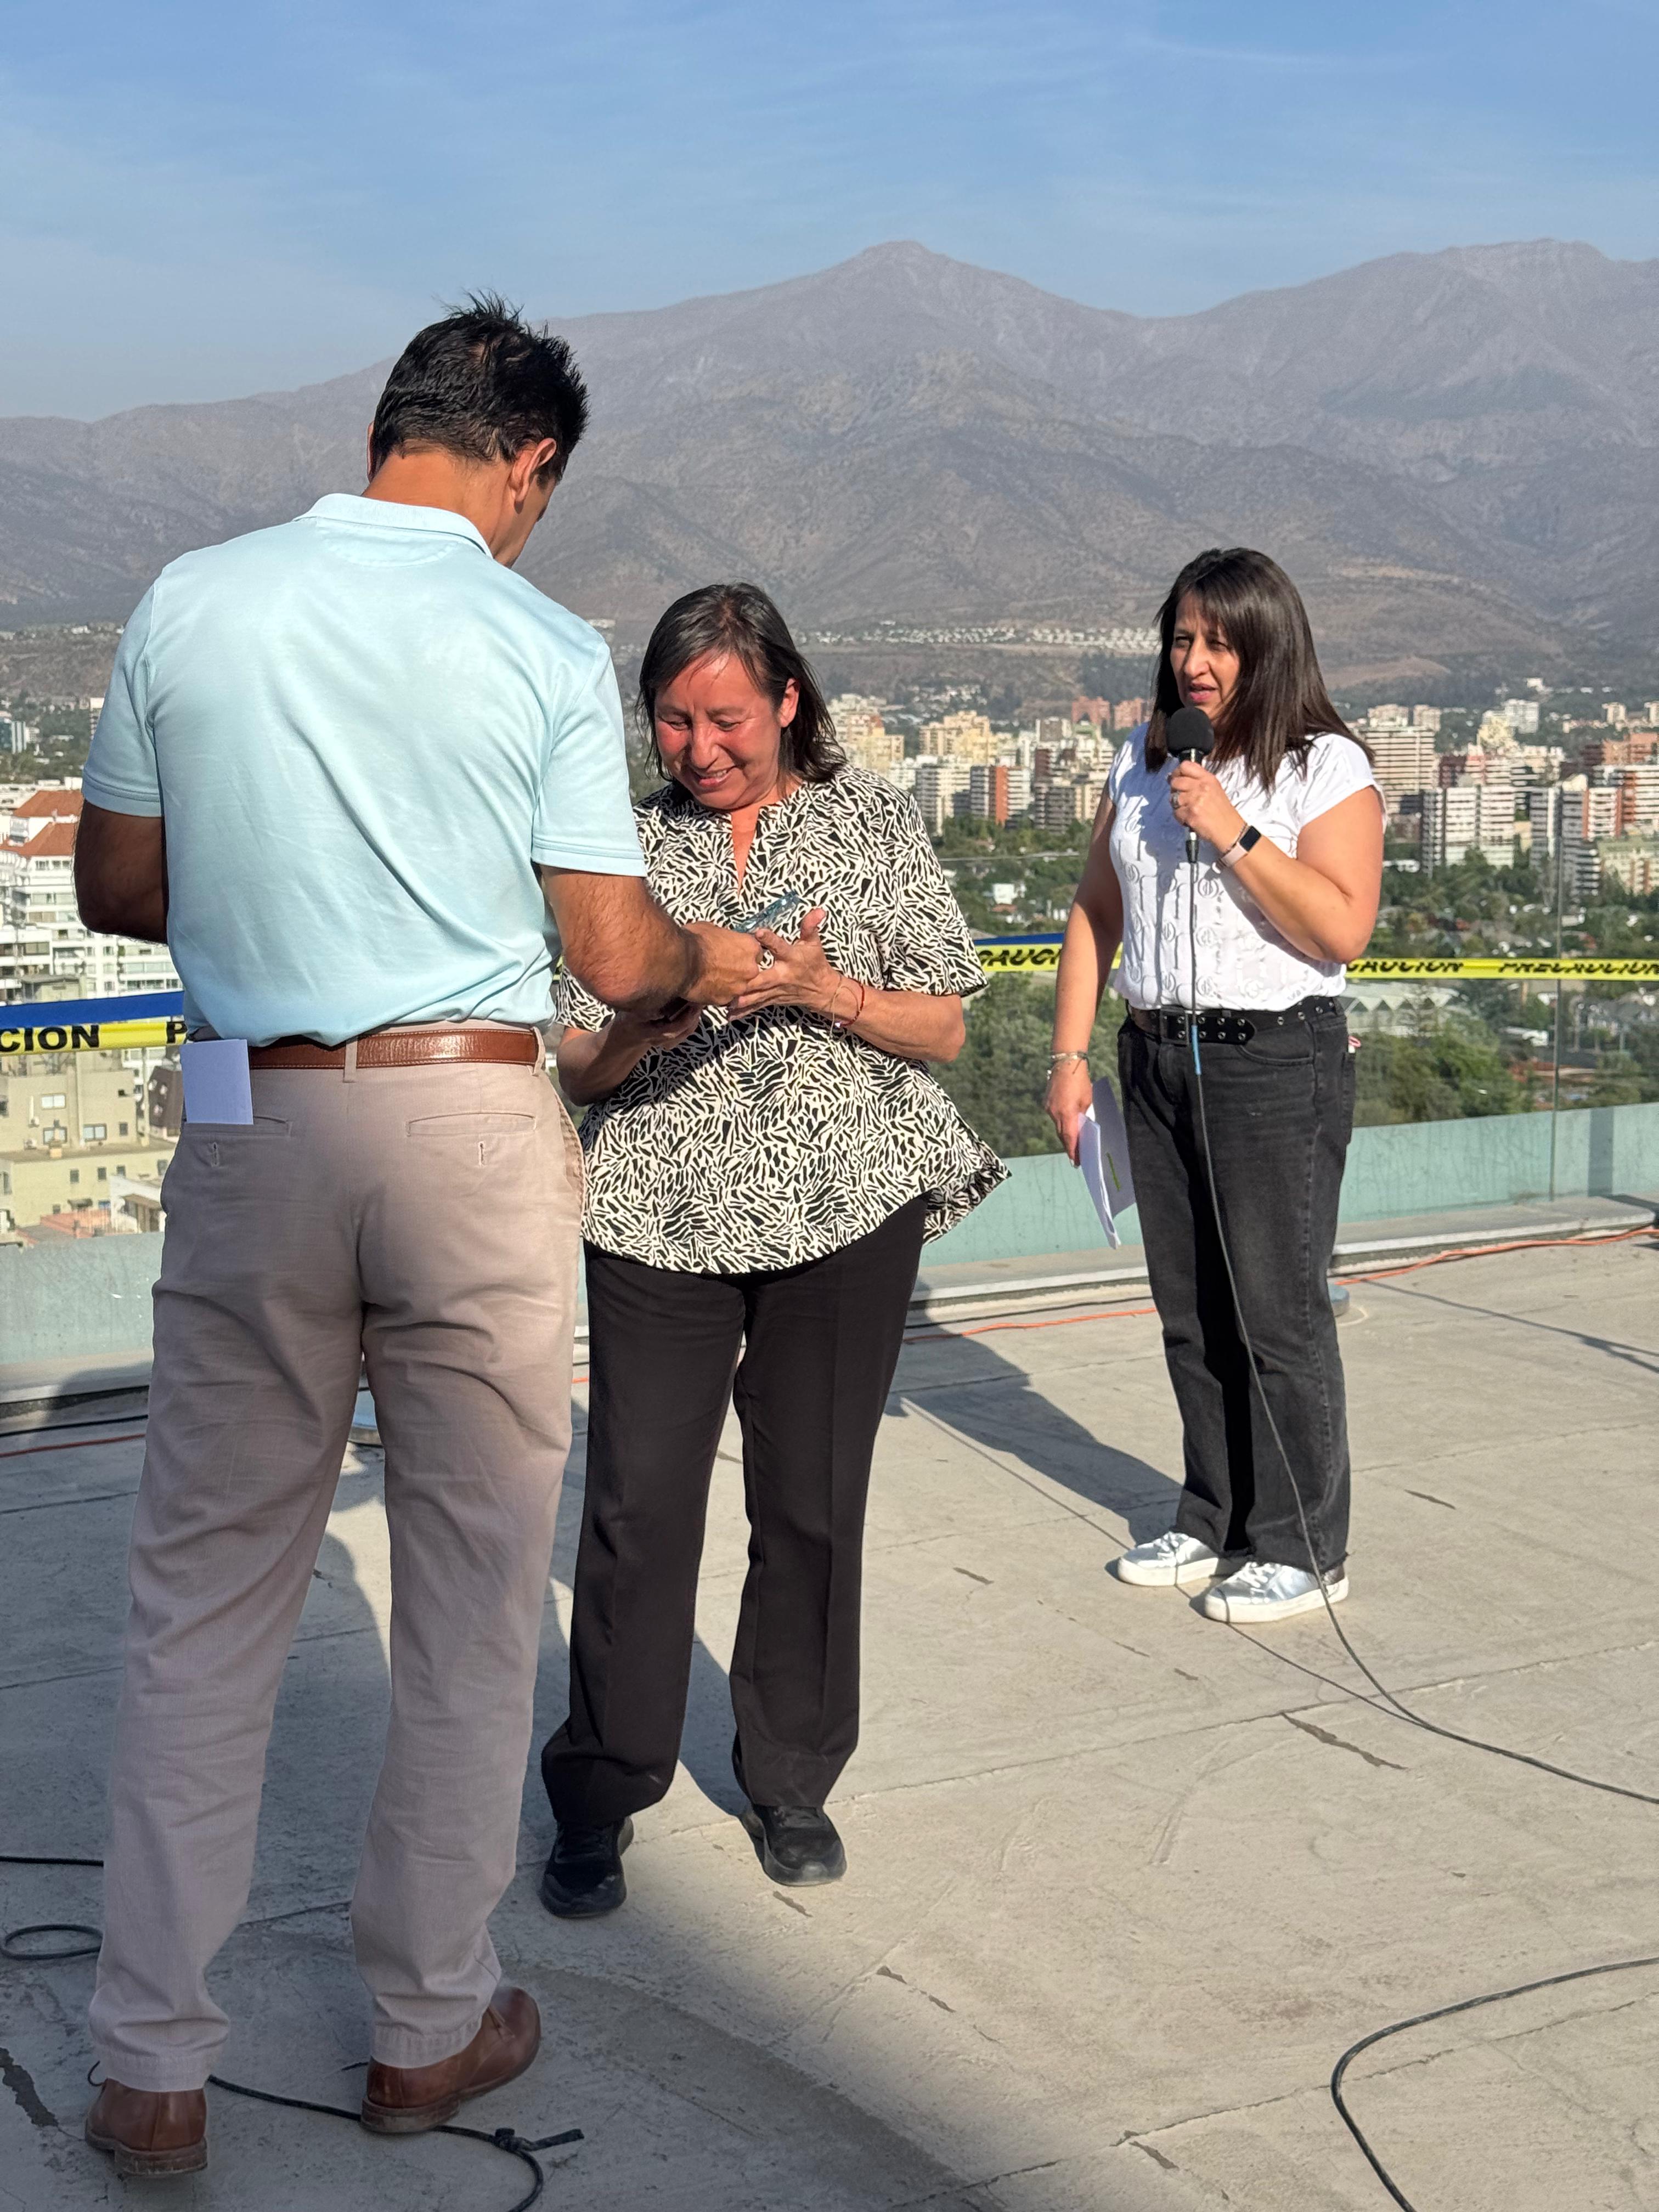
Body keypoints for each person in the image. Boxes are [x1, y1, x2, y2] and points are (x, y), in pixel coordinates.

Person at [71, 298, 757, 2180]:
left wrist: (278, 882)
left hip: (252, 1113)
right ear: (528, 464)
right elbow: (610, 952)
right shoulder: (532, 641)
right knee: (468, 1593)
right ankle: (426, 2024)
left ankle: (148, 2064)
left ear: (390, 429)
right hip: (464, 1121)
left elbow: (117, 885)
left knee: (202, 1593)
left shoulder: (191, 601)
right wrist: (706, 960)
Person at [536, 583, 1003, 1914]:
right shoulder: (619, 850)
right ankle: (602, 1787)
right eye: (674, 721)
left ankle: (792, 1777)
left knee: (811, 1501)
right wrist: (656, 1017)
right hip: (657, 1215)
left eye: (727, 718)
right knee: (636, 1508)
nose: (700, 748)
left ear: (789, 701)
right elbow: (578, 1064)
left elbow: (945, 1026)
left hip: (847, 1209)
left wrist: (819, 989)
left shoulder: (873, 823)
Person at [1046, 547, 1383, 1626]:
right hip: (1156, 1056)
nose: (1195, 660)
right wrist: (1069, 1058)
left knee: (1277, 1313)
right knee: (1190, 1312)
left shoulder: (1324, 767)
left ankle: (1305, 1545)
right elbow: (1096, 911)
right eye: (1183, 638)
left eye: (1220, 642)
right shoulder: (1143, 762)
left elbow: (1342, 927)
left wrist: (1232, 832)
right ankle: (1216, 1516)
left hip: (1275, 1060)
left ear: (1267, 647)